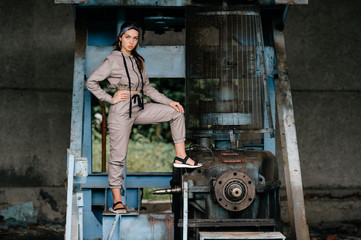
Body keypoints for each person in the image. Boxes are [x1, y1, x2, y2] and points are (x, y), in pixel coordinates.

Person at [86, 22, 202, 214]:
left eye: (135, 38)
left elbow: (147, 88)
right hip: (121, 111)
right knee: (118, 158)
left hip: (139, 107)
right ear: (120, 38)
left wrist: (169, 101)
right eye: (128, 37)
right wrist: (110, 98)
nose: (131, 42)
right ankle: (117, 201)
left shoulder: (139, 60)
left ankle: (181, 156)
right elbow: (92, 82)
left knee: (176, 112)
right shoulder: (112, 60)